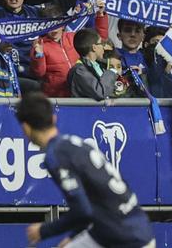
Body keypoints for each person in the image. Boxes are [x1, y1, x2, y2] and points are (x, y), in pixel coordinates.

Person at [14, 92, 155, 248]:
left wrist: (43, 231)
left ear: (26, 128)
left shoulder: (55, 155)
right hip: (136, 228)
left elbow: (82, 210)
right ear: (53, 119)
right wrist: (75, 236)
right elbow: (94, 204)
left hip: (121, 237)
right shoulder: (75, 143)